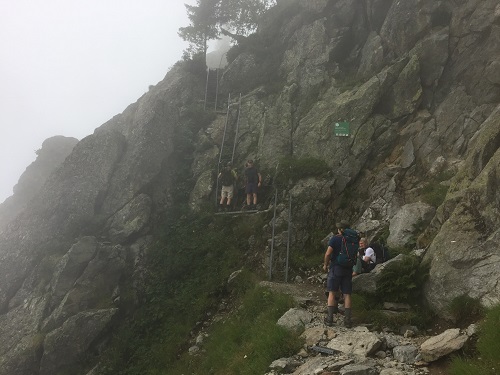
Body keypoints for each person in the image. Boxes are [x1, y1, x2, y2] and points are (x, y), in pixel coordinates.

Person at [323, 220, 355, 328]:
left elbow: (328, 254)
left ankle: (329, 319)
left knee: (332, 292)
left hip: (336, 267)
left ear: (340, 229)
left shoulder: (335, 239)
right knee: (347, 294)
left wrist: (325, 265)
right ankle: (347, 321)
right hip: (348, 269)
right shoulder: (352, 239)